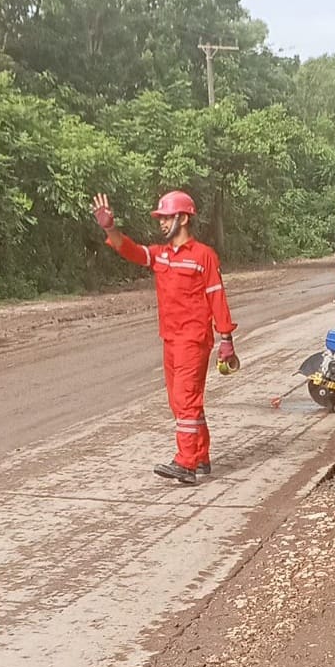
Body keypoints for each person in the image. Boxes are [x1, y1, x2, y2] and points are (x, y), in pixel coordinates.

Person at [91, 190, 238, 485]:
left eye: (167, 217)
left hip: (193, 340)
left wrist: (226, 339)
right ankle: (201, 455)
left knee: (185, 400)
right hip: (170, 339)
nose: (161, 223)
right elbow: (129, 250)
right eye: (160, 218)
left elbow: (217, 297)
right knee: (180, 402)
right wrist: (110, 228)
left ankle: (185, 463)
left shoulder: (204, 256)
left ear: (183, 218)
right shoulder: (161, 255)